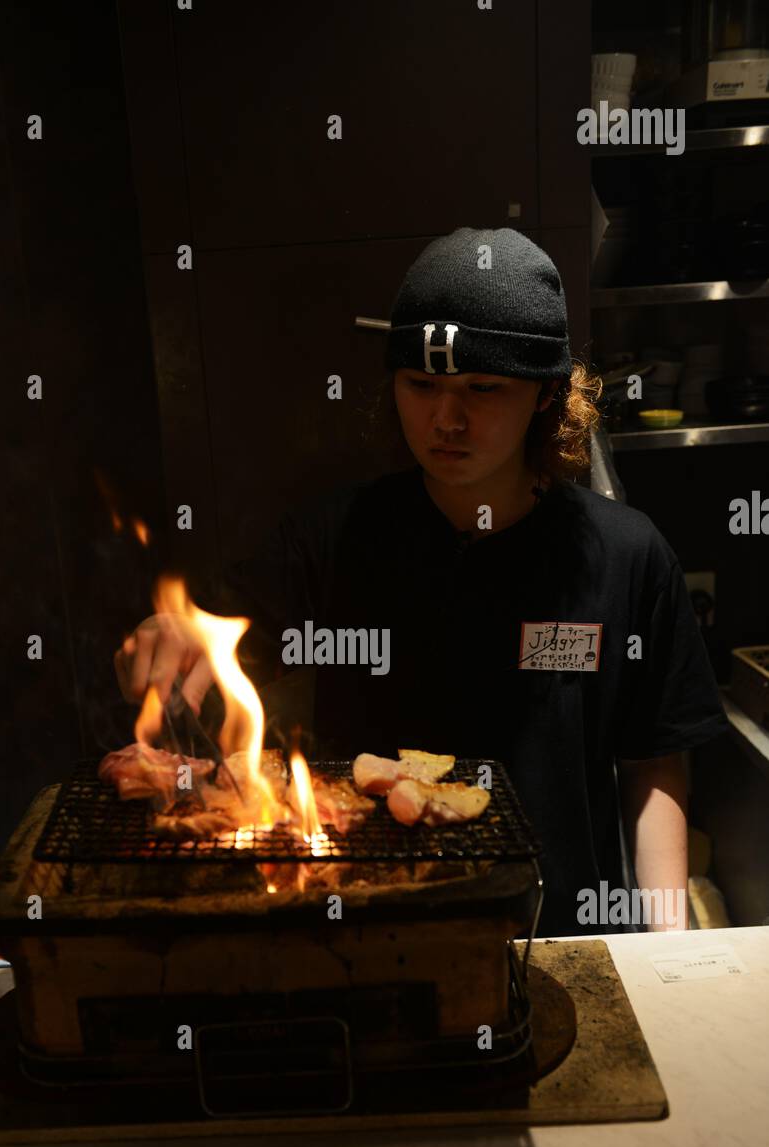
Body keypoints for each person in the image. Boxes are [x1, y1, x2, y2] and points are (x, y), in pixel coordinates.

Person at [115, 227, 729, 936]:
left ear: (544, 395)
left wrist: (667, 947)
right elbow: (216, 631)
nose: (446, 419)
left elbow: (654, 764)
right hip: (374, 932)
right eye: (421, 385)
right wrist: (170, 635)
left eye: (481, 388)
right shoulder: (331, 538)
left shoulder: (626, 553)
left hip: (562, 934)